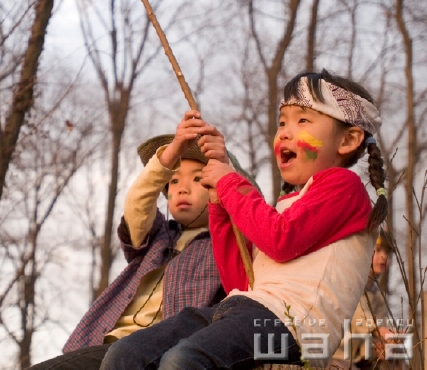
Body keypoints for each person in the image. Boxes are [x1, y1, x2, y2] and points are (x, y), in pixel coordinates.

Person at [99, 69, 388, 370]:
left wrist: (230, 183)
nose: (285, 132)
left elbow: (281, 239)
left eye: (302, 120)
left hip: (294, 325)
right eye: (282, 122)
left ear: (349, 140)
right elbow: (241, 279)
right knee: (126, 354)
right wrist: (219, 205)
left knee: (183, 360)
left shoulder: (344, 187)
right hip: (244, 309)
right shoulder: (288, 204)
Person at [28, 111, 252, 369]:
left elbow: (246, 210)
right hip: (107, 342)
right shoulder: (157, 236)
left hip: (162, 347)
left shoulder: (225, 244)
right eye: (173, 180)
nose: (181, 187)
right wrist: (169, 155)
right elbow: (138, 203)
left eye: (198, 179)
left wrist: (225, 173)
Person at [328, 232, 394, 370]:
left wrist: (380, 344)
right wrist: (380, 331)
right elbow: (361, 316)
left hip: (358, 359)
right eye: (377, 250)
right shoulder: (349, 284)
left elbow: (379, 327)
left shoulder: (379, 296)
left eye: (387, 252)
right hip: (334, 355)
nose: (383, 257)